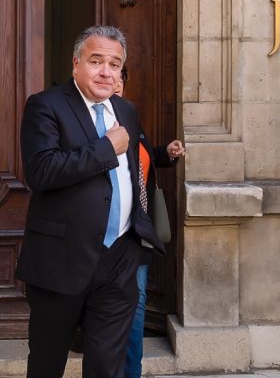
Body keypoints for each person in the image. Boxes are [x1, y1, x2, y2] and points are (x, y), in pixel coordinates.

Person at [17, 25, 165, 378]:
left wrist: (137, 237)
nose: (106, 72)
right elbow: (40, 172)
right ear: (76, 64)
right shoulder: (45, 106)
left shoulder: (126, 111)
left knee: (106, 366)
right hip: (61, 260)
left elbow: (133, 173)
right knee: (47, 363)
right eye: (96, 61)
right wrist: (104, 149)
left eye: (114, 65)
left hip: (119, 258)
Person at [114, 67, 185, 378]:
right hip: (100, 234)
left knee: (137, 305)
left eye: (119, 75)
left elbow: (138, 160)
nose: (113, 81)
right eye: (103, 69)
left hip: (136, 231)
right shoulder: (84, 122)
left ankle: (131, 373)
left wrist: (164, 154)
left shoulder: (131, 119)